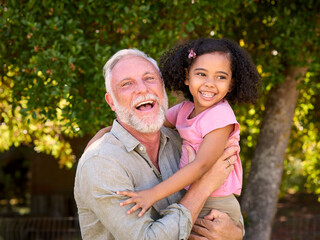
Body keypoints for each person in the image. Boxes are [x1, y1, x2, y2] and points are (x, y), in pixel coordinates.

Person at [74, 48, 243, 239]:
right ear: (111, 102)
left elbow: (222, 197)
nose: (142, 89)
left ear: (163, 90)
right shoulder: (102, 163)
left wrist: (236, 232)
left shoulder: (180, 139)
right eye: (127, 84)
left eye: (149, 78)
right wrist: (202, 187)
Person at [116, 38, 260, 225]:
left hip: (216, 205)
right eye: (201, 74)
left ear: (231, 84)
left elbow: (201, 165)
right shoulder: (183, 109)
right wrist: (110, 131)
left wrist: (153, 194)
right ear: (186, 76)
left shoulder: (221, 118)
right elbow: (149, 124)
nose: (210, 83)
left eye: (221, 77)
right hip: (193, 197)